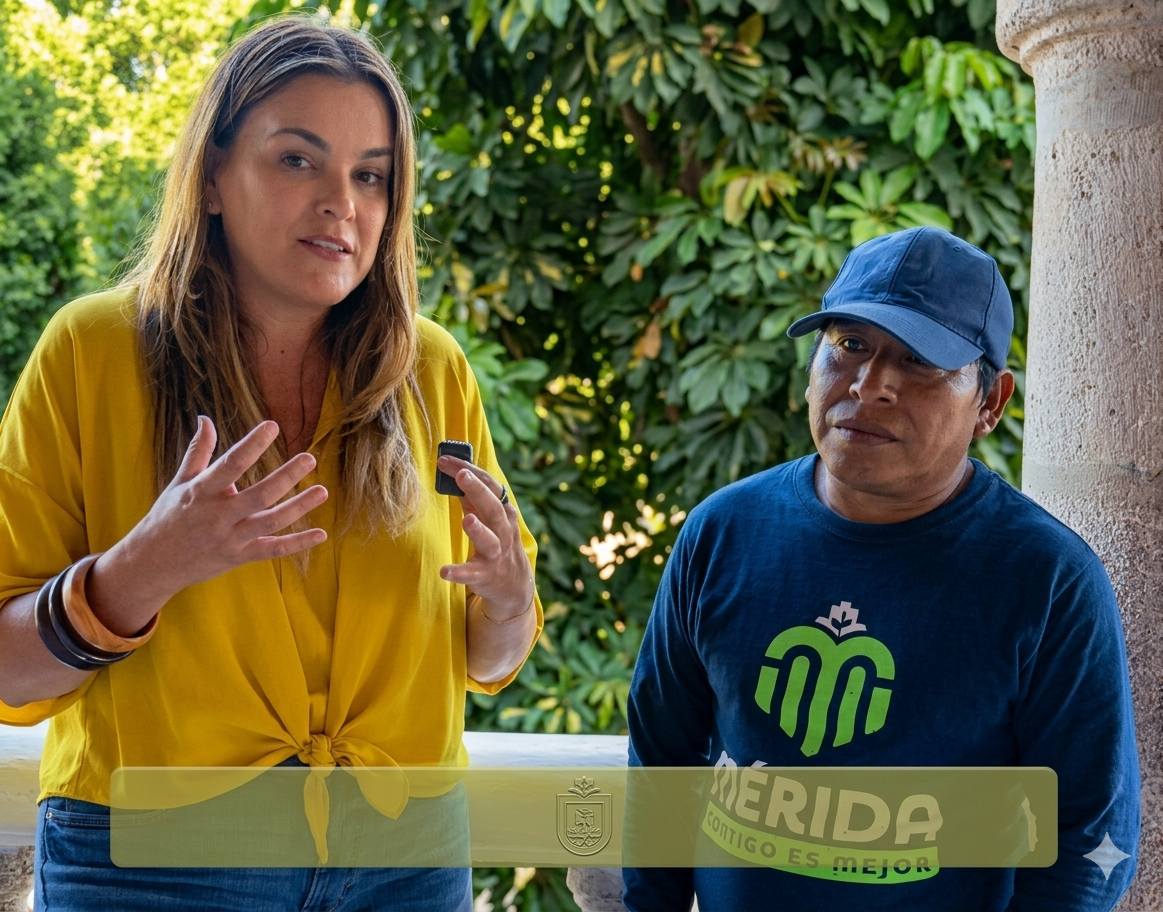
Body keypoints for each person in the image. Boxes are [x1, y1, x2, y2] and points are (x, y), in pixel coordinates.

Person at [0, 16, 541, 911]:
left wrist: (512, 603)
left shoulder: (432, 371)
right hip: (156, 866)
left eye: (372, 175)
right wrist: (140, 572)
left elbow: (490, 656)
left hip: (405, 863)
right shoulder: (91, 352)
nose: (343, 203)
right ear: (212, 176)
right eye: (298, 160)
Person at [623, 227, 1140, 911]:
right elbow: (659, 767)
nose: (870, 386)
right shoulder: (722, 533)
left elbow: (1091, 840)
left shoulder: (1044, 580)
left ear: (990, 402)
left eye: (921, 362)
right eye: (849, 345)